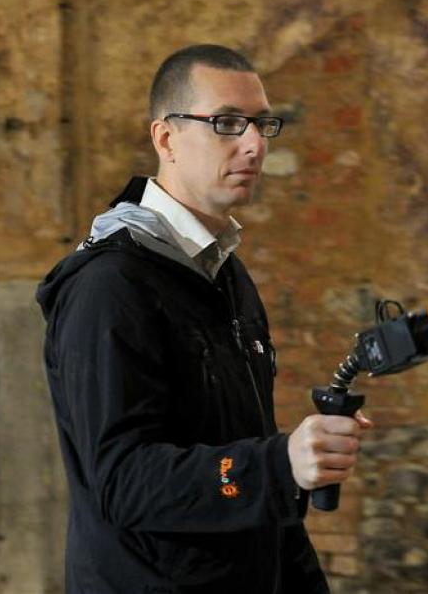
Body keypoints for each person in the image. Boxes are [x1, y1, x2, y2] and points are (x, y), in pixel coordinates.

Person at [36, 44, 373, 594]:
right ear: (165, 138)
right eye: (227, 122)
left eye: (262, 123)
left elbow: (250, 451)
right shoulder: (109, 286)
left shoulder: (226, 274)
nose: (254, 144)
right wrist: (279, 463)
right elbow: (123, 483)